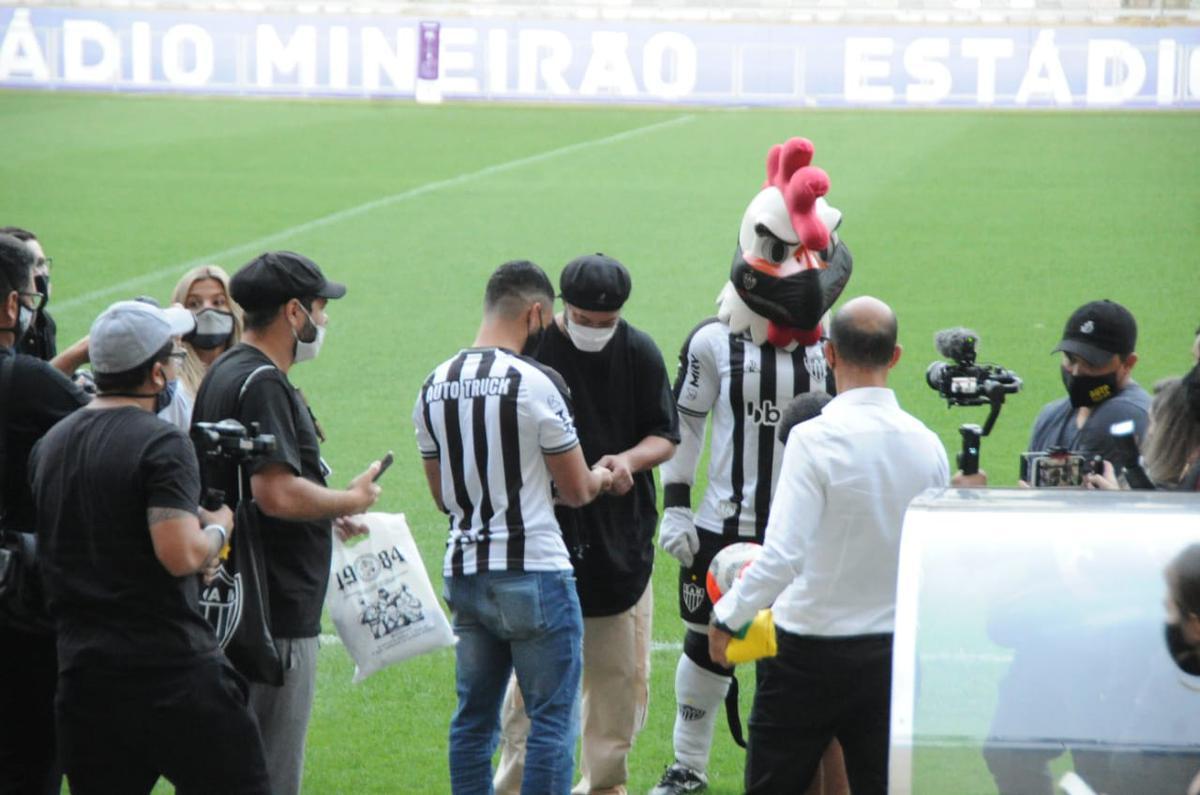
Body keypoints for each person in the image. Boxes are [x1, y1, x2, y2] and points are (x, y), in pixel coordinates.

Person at [708, 296, 950, 794]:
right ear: (896, 356)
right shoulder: (928, 444)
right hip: (889, 654)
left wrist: (727, 617)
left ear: (830, 354)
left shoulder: (814, 440)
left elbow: (782, 556)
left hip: (805, 658)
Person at [28, 300, 270, 794]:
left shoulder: (50, 443)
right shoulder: (161, 442)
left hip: (83, 679)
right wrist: (217, 530)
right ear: (158, 374)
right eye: (175, 357)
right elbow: (178, 554)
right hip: (170, 675)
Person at [412, 259, 613, 794]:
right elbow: (574, 490)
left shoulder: (432, 385)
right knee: (551, 721)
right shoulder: (533, 384)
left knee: (472, 722)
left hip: (466, 573)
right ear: (536, 312)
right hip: (534, 572)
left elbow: (441, 496)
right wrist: (603, 475)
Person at [191, 250, 382, 795]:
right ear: (294, 312)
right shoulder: (264, 383)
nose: (323, 321)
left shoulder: (224, 370)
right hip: (272, 613)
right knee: (268, 776)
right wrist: (347, 501)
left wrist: (325, 508)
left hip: (232, 602)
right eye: (320, 309)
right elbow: (272, 493)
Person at [492, 254, 679, 795]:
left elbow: (664, 435)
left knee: (618, 683)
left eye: (607, 322)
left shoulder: (639, 351)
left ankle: (603, 786)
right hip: (544, 538)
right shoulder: (534, 350)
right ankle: (514, 785)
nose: (596, 330)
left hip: (622, 538)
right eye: (584, 319)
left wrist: (629, 460)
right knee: (531, 689)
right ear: (559, 311)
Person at [0, 233, 89, 795]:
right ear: (11, 304)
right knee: (31, 760)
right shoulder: (26, 382)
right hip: (20, 610)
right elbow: (108, 433)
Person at [1086, 375, 1200, 491]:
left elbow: (1157, 506)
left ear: (1172, 432)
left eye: (1152, 422)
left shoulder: (1193, 481)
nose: (1149, 432)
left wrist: (1117, 496)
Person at [170, 264, 243, 401]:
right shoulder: (172, 381)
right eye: (194, 304)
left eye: (218, 302)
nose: (208, 311)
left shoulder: (250, 372)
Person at [0, 227, 54, 362]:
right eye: (31, 266)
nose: (40, 274)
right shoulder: (7, 333)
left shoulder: (45, 322)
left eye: (41, 263)